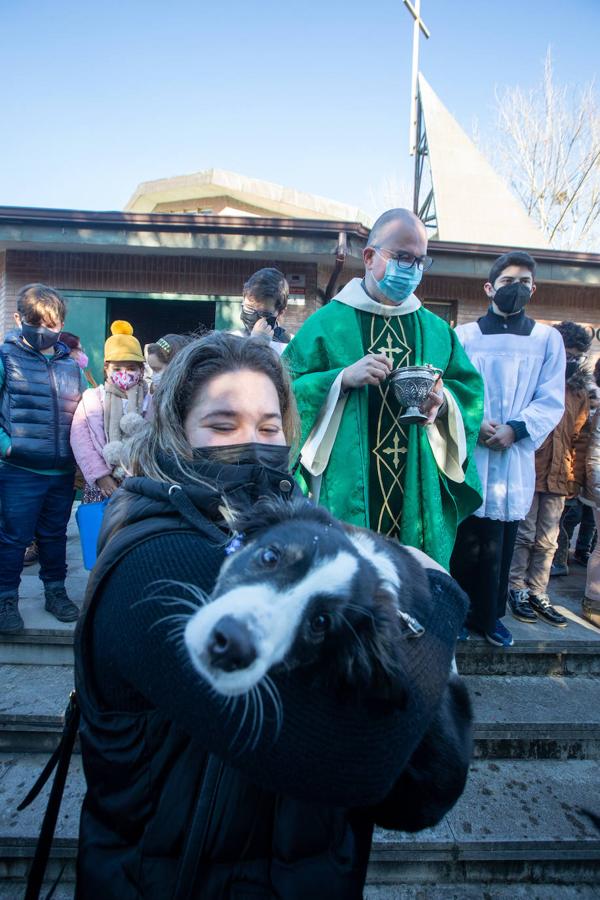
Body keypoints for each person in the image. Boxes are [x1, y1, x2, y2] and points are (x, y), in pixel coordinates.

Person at [74, 332, 472, 899]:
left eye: (268, 428)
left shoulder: (285, 541)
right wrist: (436, 596)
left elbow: (416, 794)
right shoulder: (157, 560)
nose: (251, 445)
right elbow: (366, 763)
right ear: (174, 430)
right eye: (221, 424)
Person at [282, 208, 484, 570]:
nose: (412, 269)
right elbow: (285, 390)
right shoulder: (328, 322)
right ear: (370, 256)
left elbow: (467, 391)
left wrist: (444, 403)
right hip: (347, 481)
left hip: (416, 476)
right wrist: (340, 379)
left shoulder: (435, 330)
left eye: (420, 260)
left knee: (409, 579)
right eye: (402, 257)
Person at [451, 251, 565, 647]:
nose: (516, 288)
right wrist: (473, 421)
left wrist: (516, 429)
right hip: (474, 448)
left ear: (533, 288)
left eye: (524, 282)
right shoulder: (465, 336)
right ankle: (462, 613)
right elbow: (452, 388)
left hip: (514, 452)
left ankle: (492, 617)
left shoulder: (547, 339)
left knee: (502, 541)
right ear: (489, 288)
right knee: (467, 538)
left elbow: (551, 398)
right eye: (507, 282)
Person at [0, 283, 83, 633]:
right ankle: (6, 599)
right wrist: (6, 445)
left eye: (53, 324)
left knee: (53, 536)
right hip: (19, 469)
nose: (47, 332)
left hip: (60, 471)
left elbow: (83, 414)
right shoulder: (5, 358)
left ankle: (55, 593)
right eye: (38, 323)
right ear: (20, 319)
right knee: (13, 537)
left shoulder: (71, 365)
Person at [507, 321, 591, 628]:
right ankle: (516, 587)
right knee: (524, 534)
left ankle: (538, 591)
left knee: (549, 539)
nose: (571, 360)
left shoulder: (579, 392)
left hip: (559, 475)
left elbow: (580, 437)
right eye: (567, 353)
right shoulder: (536, 383)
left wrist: (575, 477)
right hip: (531, 470)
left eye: (577, 355)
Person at [70, 320, 150, 502]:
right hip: (102, 487)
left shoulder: (150, 401)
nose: (124, 373)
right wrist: (100, 475)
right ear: (107, 369)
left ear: (141, 370)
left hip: (141, 484)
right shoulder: (92, 398)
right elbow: (81, 441)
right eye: (117, 368)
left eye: (131, 368)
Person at [552, 384, 600, 575]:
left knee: (578, 519)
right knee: (569, 518)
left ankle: (571, 556)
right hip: (576, 473)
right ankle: (562, 559)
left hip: (577, 473)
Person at [238, 266, 292, 355]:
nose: (254, 318)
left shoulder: (290, 346)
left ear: (280, 312)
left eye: (264, 314)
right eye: (249, 308)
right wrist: (256, 343)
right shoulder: (231, 339)